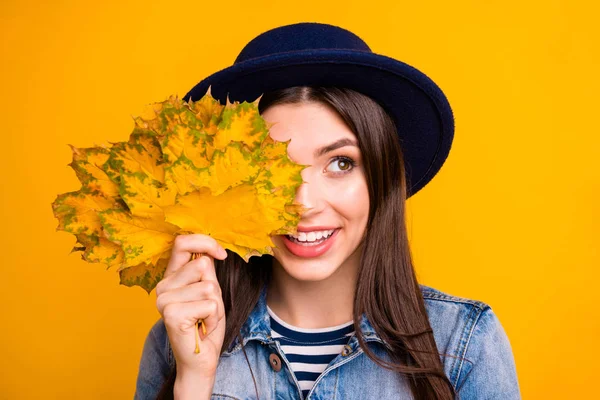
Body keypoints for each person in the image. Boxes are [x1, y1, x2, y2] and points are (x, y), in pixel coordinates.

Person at [134, 22, 520, 400]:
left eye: (340, 163)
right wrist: (194, 382)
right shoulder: (176, 342)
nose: (304, 204)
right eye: (273, 169)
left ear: (381, 177)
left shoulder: (465, 345)